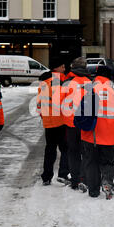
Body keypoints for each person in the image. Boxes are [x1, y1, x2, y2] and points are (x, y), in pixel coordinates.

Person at [81, 65, 114, 199]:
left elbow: (80, 112)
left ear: (96, 76)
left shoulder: (89, 90)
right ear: (109, 78)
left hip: (91, 135)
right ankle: (107, 183)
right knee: (107, 162)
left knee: (91, 162)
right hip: (109, 135)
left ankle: (94, 190)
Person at [37, 58, 70, 186]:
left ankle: (46, 177)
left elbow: (39, 103)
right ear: (56, 68)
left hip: (48, 122)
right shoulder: (57, 81)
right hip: (60, 121)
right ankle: (62, 174)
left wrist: (44, 116)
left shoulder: (44, 83)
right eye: (62, 66)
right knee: (65, 149)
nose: (64, 68)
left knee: (50, 149)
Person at [61, 57, 91, 191]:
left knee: (73, 152)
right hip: (86, 124)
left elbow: (59, 104)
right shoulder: (90, 82)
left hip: (71, 123)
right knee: (86, 152)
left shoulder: (67, 83)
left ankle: (75, 181)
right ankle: (85, 180)